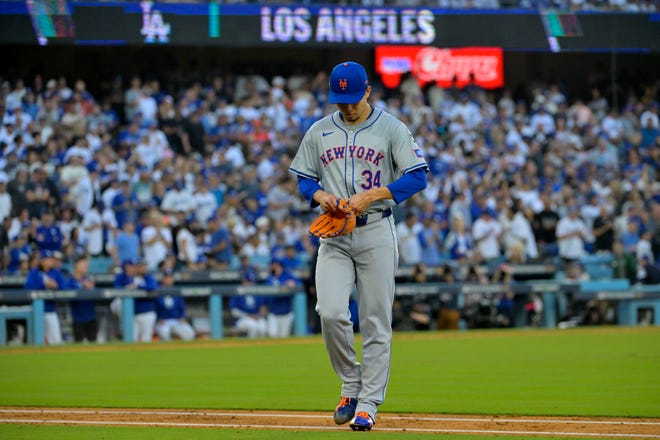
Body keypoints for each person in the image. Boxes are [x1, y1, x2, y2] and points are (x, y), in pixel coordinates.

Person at [289, 61, 428, 431]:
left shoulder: (391, 128)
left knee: (374, 320)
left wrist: (375, 195)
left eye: (353, 98)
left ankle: (368, 403)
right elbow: (303, 178)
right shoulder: (319, 131)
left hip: (376, 231)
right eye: (341, 100)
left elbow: (417, 177)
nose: (347, 107)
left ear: (368, 91)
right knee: (331, 312)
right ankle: (351, 383)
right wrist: (320, 194)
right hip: (335, 234)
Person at [24, 249, 66, 344]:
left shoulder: (55, 272)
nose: (51, 261)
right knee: (37, 341)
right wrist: (43, 284)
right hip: (36, 311)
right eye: (48, 259)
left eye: (51, 258)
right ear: (42, 261)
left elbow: (65, 287)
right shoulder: (34, 272)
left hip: (51, 310)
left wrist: (56, 286)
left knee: (56, 341)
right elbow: (27, 288)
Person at [113, 257, 159, 342]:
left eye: (144, 266)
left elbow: (153, 287)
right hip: (133, 314)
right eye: (141, 266)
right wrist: (127, 287)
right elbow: (117, 288)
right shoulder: (128, 278)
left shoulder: (148, 277)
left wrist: (138, 287)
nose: (143, 268)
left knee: (146, 339)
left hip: (147, 312)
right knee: (132, 340)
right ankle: (121, 325)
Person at [154, 269, 196, 341]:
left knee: (189, 333)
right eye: (166, 277)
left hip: (176, 320)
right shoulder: (158, 291)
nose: (168, 279)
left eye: (170, 277)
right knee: (164, 333)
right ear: (163, 279)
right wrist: (158, 319)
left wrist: (182, 317)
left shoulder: (177, 292)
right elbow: (154, 308)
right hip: (163, 321)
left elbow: (181, 308)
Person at [66, 256, 98, 343]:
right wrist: (82, 286)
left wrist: (91, 288)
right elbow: (67, 294)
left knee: (93, 346)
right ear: (76, 265)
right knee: (78, 345)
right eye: (83, 264)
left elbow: (98, 294)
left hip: (91, 317)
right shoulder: (71, 281)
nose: (86, 267)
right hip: (78, 318)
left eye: (86, 265)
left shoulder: (89, 280)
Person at [264, 258, 299, 338]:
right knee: (272, 335)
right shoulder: (270, 277)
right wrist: (284, 285)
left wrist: (292, 283)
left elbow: (298, 283)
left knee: (284, 337)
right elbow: (268, 288)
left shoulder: (287, 276)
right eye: (273, 266)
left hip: (286, 313)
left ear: (281, 267)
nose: (274, 268)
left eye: (276, 266)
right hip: (273, 313)